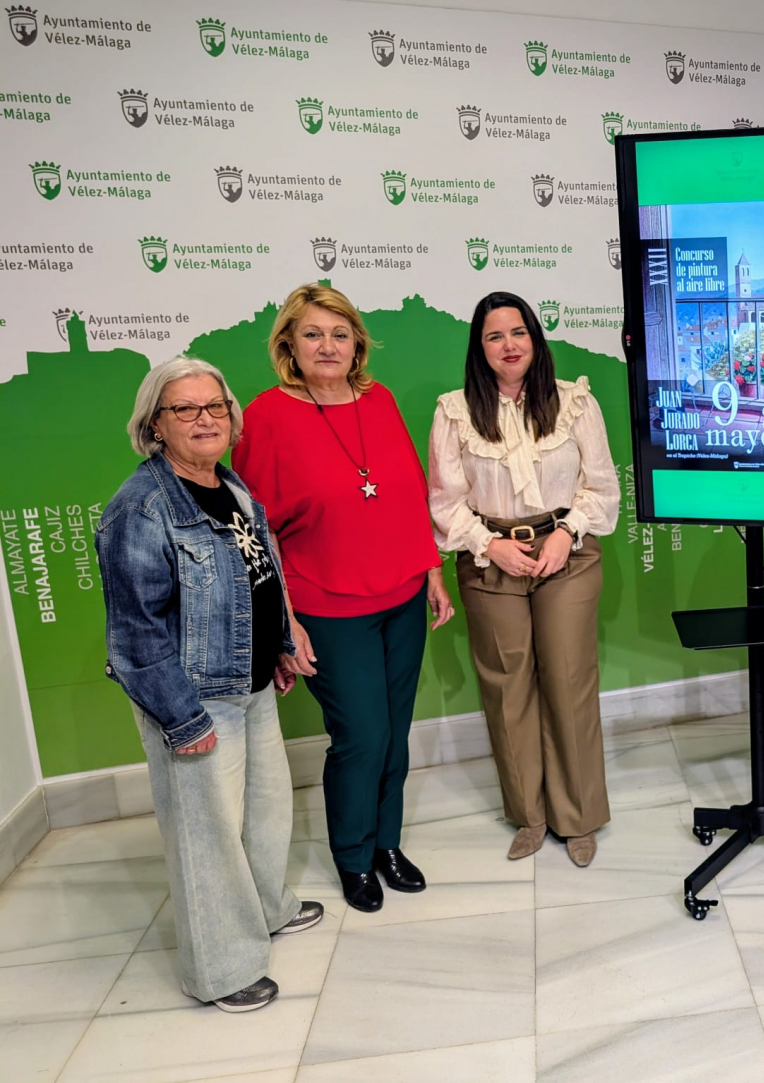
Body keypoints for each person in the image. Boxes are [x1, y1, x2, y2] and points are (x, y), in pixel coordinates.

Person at [96, 357, 323, 1013]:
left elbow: (258, 572)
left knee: (266, 812)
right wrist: (181, 718)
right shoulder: (141, 508)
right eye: (185, 409)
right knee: (207, 838)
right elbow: (135, 633)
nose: (205, 419)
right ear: (155, 424)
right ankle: (221, 969)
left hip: (249, 683)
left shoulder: (228, 482)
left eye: (215, 406)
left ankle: (267, 909)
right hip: (195, 698)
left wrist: (279, 643)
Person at [232, 284, 454, 913]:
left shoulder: (379, 399)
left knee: (395, 731)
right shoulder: (266, 417)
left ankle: (388, 844)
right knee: (361, 735)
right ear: (289, 345)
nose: (327, 346)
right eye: (312, 334)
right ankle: (353, 858)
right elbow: (257, 533)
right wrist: (284, 623)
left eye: (339, 334)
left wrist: (431, 571)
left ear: (358, 342)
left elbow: (409, 491)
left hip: (402, 597)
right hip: (326, 607)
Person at [428, 292, 619, 867]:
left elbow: (601, 486)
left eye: (518, 333)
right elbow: (444, 501)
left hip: (567, 552)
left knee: (568, 678)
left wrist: (565, 533)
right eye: (495, 336)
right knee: (507, 687)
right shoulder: (454, 412)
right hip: (490, 558)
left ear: (535, 339)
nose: (508, 345)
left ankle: (577, 816)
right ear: (479, 348)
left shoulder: (575, 402)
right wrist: (490, 545)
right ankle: (530, 815)